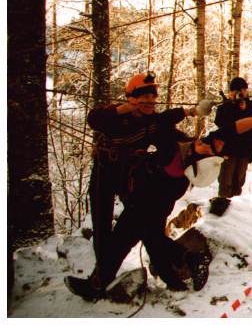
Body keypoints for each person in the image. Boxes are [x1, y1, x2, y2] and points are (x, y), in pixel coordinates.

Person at [65, 72, 217, 299]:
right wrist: (126, 108)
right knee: (104, 228)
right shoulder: (115, 115)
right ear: (131, 97)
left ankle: (102, 282)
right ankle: (170, 275)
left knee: (143, 231)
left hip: (129, 178)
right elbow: (94, 119)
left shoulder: (153, 122)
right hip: (103, 176)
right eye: (144, 97)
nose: (149, 101)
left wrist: (197, 129)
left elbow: (176, 136)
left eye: (152, 97)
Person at [214, 77, 252, 198]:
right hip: (228, 150)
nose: (241, 92)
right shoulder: (225, 107)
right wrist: (231, 105)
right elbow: (220, 122)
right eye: (237, 90)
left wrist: (246, 109)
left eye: (243, 89)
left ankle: (235, 208)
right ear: (231, 92)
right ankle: (221, 206)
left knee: (238, 184)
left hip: (245, 151)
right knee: (225, 183)